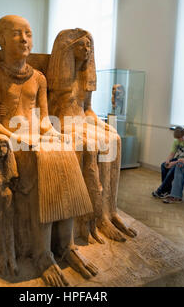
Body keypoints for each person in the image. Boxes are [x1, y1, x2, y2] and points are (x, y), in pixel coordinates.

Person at [0, 15, 97, 287]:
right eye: (17, 34)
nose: (24, 39)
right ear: (1, 39)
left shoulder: (38, 78)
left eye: (29, 34)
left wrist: (54, 135)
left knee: (65, 150)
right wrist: (20, 138)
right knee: (43, 159)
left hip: (36, 139)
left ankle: (66, 246)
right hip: (10, 139)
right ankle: (43, 254)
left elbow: (44, 120)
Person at [47, 28, 137, 244]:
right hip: (62, 122)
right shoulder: (60, 79)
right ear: (68, 49)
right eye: (81, 45)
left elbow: (87, 110)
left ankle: (109, 211)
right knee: (90, 144)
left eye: (89, 45)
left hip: (82, 121)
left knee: (113, 138)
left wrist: (101, 124)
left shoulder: (84, 77)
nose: (86, 49)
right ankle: (91, 217)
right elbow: (50, 112)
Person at [152, 126, 184, 199]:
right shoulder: (176, 141)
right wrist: (167, 160)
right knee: (163, 165)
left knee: (172, 169)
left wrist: (173, 163)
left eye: (181, 138)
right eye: (177, 138)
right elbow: (172, 154)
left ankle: (160, 190)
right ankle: (167, 190)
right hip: (177, 159)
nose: (179, 140)